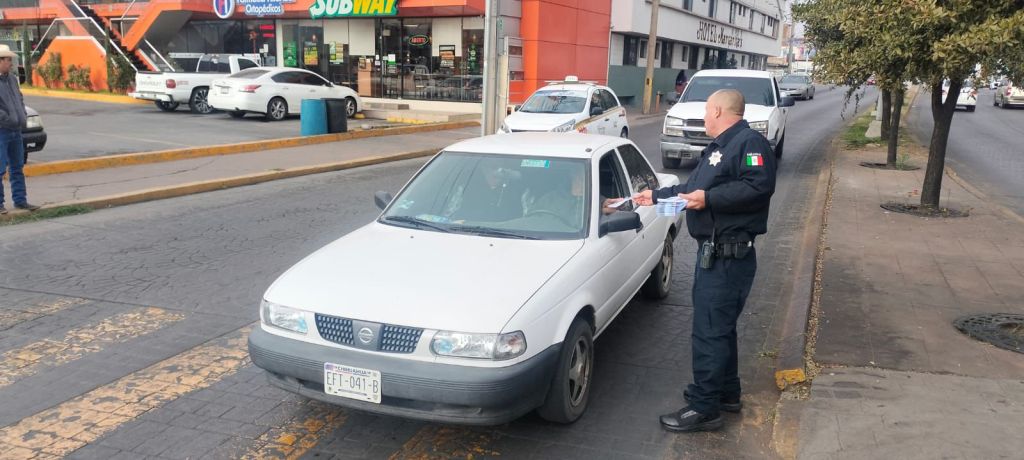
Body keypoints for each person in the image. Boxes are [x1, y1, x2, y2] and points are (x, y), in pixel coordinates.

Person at [633, 89, 777, 433]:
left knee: (709, 333)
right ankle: (727, 394)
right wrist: (653, 197)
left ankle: (704, 407)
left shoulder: (749, 144)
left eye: (705, 111)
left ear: (716, 110)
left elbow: (759, 187)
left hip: (729, 256)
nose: (703, 117)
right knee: (720, 331)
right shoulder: (720, 147)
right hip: (716, 254)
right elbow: (692, 194)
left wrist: (709, 198)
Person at [0, 44, 39, 214]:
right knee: (0, 169)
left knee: (17, 167)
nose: (11, 63)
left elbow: (20, 99)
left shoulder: (12, 79)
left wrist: (21, 115)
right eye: (8, 60)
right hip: (2, 130)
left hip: (16, 131)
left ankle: (20, 201)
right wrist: (8, 119)